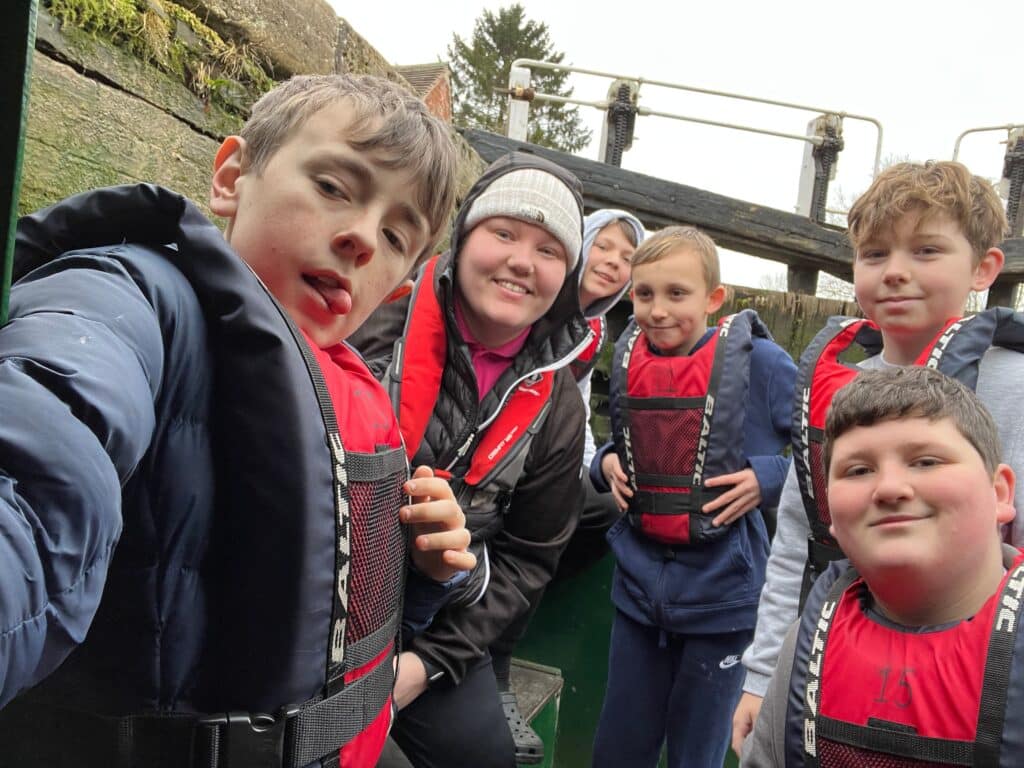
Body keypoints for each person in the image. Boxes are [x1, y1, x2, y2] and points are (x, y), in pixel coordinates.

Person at [0, 73, 476, 767]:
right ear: (231, 176)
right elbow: (47, 459)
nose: (362, 239)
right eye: (334, 188)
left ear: (401, 283)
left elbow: (324, 622)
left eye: (397, 235)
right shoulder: (126, 298)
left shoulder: (345, 387)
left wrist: (421, 575)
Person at [732, 161, 1024, 756]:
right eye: (874, 255)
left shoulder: (1017, 389)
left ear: (983, 269)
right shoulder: (830, 391)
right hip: (833, 663)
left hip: (979, 685)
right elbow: (795, 538)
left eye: (926, 250)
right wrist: (764, 676)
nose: (896, 273)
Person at [349, 151, 591, 768]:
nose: (520, 261)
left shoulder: (560, 406)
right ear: (462, 239)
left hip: (440, 625)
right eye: (503, 232)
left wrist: (423, 667)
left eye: (548, 249)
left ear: (566, 275)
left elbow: (527, 560)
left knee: (484, 758)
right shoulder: (376, 319)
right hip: (330, 596)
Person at [741, 366, 1023, 767]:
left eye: (925, 461)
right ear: (832, 517)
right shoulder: (804, 645)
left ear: (1000, 493)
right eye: (858, 471)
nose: (889, 488)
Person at [588, 225, 796, 768]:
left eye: (677, 294)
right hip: (638, 594)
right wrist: (603, 462)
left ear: (714, 298)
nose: (658, 311)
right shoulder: (630, 356)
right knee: (617, 750)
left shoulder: (764, 365)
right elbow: (621, 440)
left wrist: (765, 478)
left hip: (722, 604)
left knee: (695, 756)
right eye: (644, 293)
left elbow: (828, 452)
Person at [487, 208, 645, 764]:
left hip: (535, 463)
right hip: (493, 462)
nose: (613, 263)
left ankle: (502, 611)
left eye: (626, 258)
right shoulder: (533, 307)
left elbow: (568, 413)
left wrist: (594, 466)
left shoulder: (589, 329)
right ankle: (496, 660)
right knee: (548, 515)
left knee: (602, 512)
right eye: (604, 247)